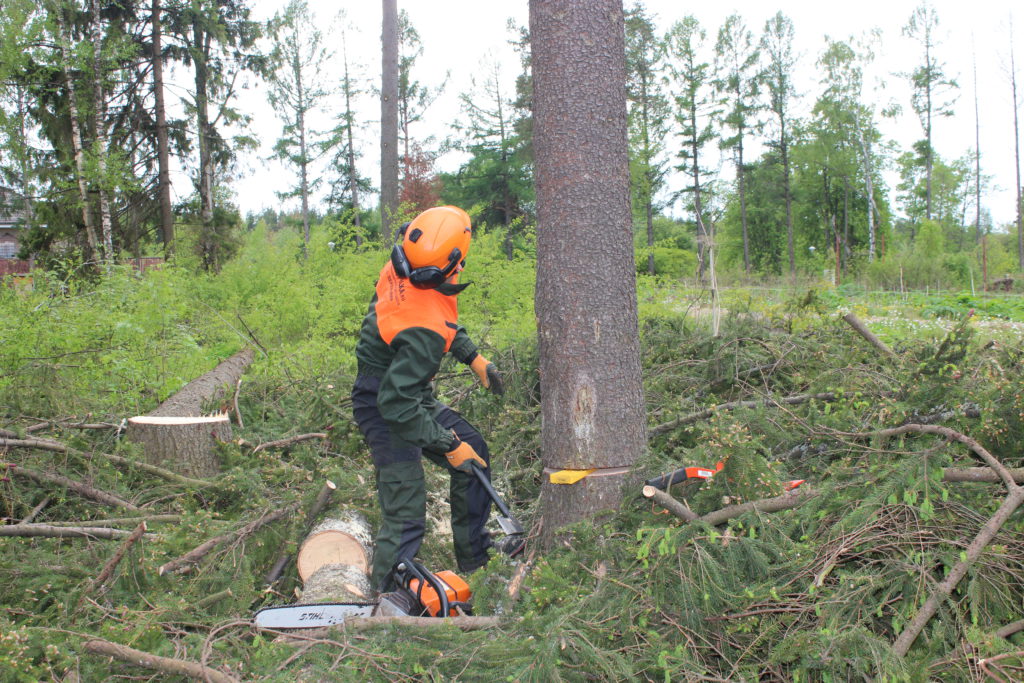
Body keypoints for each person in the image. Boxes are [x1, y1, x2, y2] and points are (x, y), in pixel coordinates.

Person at [351, 205, 504, 591]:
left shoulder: (405, 264)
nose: (462, 269)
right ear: (446, 268)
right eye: (460, 264)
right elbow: (395, 405)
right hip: (386, 405)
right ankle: (384, 600)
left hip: (406, 392)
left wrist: (472, 357)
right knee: (406, 512)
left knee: (475, 452)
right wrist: (447, 444)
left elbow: (439, 312)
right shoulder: (423, 334)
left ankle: (475, 560)